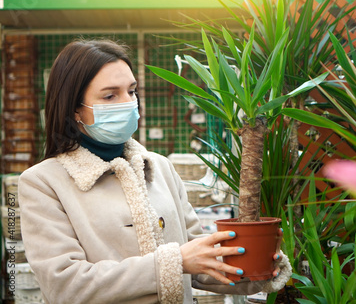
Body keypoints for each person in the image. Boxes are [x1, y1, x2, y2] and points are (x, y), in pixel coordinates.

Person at [18, 39, 292, 304]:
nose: (128, 102)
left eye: (132, 91)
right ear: (75, 109)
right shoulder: (43, 183)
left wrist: (258, 263)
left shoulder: (159, 167)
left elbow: (200, 260)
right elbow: (65, 286)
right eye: (110, 95)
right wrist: (175, 263)